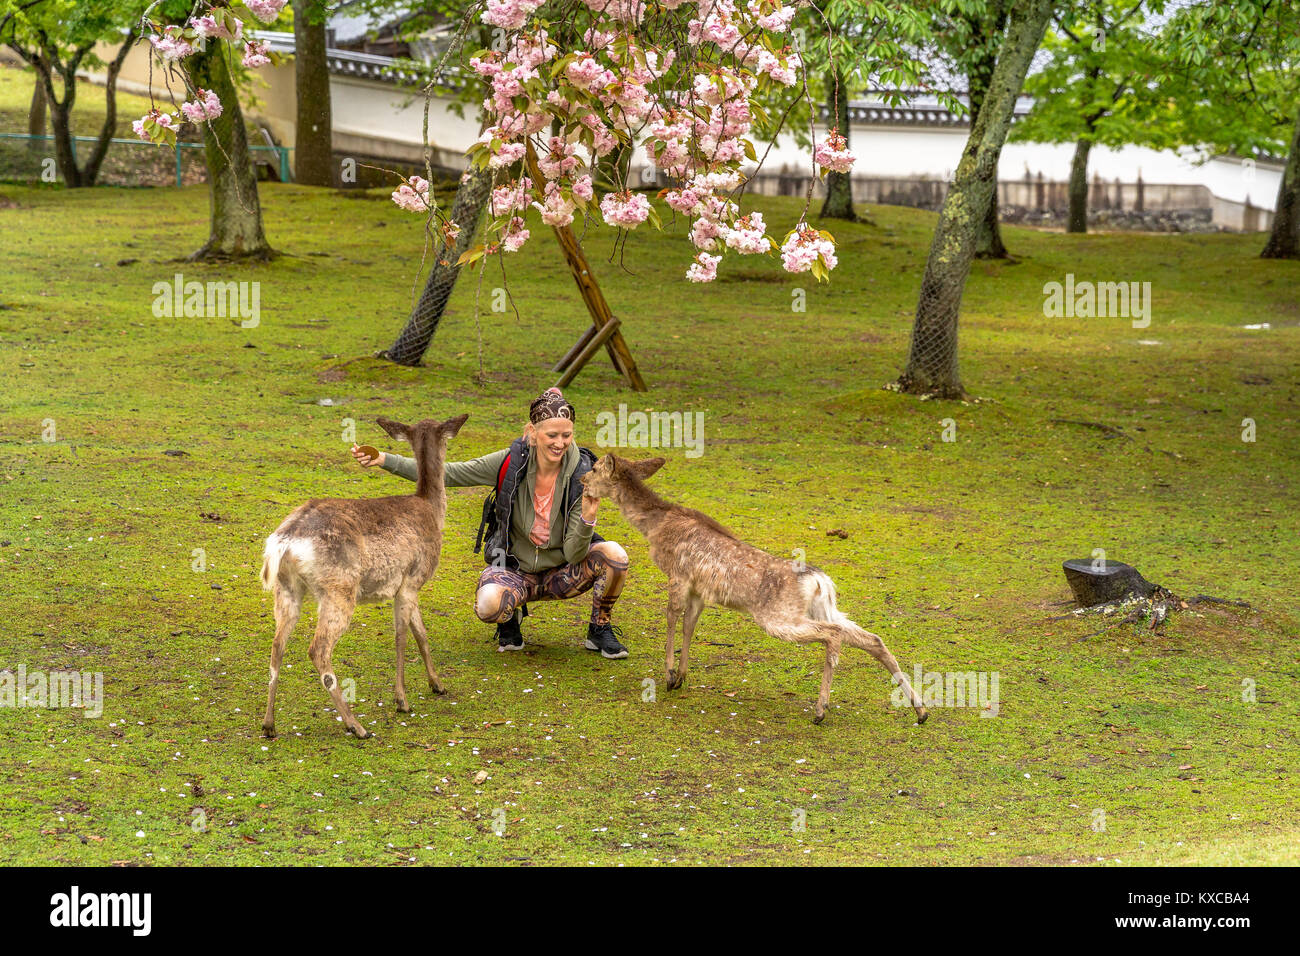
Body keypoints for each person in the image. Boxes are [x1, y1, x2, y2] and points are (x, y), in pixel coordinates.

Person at [352, 387, 631, 658]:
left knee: (615, 556)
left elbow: (574, 554)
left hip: (564, 571)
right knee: (488, 605)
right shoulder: (511, 461)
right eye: (552, 435)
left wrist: (588, 517)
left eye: (566, 435)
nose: (560, 442)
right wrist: (385, 459)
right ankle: (508, 620)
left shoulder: (583, 472)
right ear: (533, 433)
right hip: (516, 570)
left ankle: (600, 627)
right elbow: (449, 473)